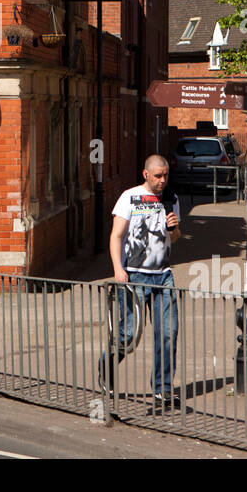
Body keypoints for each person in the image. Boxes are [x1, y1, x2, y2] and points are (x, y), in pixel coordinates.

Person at [100, 154, 182, 410]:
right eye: (158, 176)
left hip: (163, 276)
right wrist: (118, 270)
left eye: (166, 175)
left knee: (168, 333)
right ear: (146, 174)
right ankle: (107, 365)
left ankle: (163, 390)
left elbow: (176, 238)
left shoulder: (171, 198)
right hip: (134, 276)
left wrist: (175, 228)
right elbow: (116, 236)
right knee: (128, 335)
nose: (162, 180)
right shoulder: (130, 197)